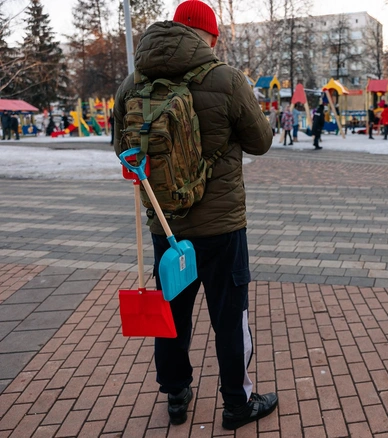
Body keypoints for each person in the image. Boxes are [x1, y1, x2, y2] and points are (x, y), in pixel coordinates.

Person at [112, 0, 276, 430]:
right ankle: (238, 405)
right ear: (210, 37)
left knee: (172, 311)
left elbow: (122, 150)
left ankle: (177, 393)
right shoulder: (226, 79)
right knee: (229, 315)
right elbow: (260, 142)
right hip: (221, 226)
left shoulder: (134, 83)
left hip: (166, 227)